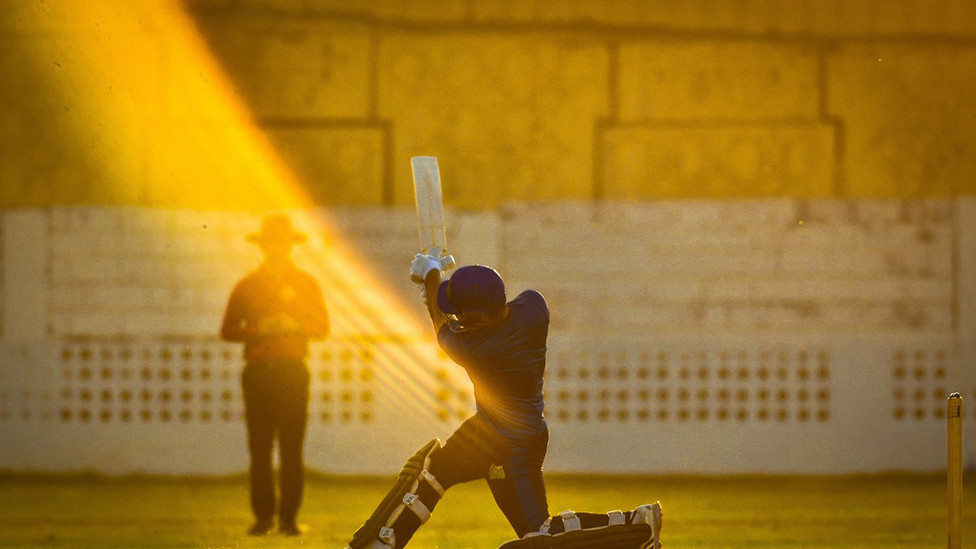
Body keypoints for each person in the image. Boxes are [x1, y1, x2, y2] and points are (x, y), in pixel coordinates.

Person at [343, 256, 662, 549]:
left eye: (462, 312)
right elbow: (463, 317)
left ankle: (635, 529)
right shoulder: (534, 310)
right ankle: (381, 544)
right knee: (431, 471)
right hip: (489, 430)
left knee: (538, 534)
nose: (456, 315)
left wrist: (431, 276)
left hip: (514, 447)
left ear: (477, 318)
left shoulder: (473, 349)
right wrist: (445, 283)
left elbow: (440, 322)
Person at [220, 213, 330, 537]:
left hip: (292, 371)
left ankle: (288, 519)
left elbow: (322, 327)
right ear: (264, 246)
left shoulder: (306, 283)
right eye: (272, 242)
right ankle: (264, 516)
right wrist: (259, 330)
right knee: (260, 446)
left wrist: (295, 327)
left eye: (281, 242)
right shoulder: (247, 285)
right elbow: (227, 329)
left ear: (289, 245)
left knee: (292, 447)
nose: (277, 248)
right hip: (258, 372)